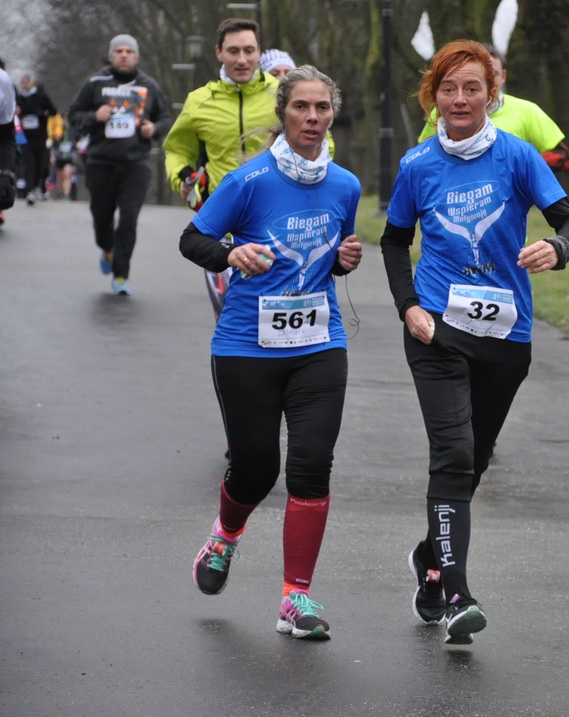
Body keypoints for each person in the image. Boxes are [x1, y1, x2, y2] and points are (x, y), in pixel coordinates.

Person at [381, 39, 569, 645]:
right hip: (437, 330)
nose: (461, 99)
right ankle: (457, 597)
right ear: (433, 98)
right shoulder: (417, 165)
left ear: (491, 94)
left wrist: (558, 248)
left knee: (474, 459)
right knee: (452, 456)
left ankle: (430, 559)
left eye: (472, 88)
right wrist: (409, 306)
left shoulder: (518, 156)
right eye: (448, 89)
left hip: (505, 335)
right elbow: (394, 242)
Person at [179, 65, 362, 641]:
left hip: (319, 343)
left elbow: (330, 255)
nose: (312, 117)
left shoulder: (346, 185)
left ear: (332, 115)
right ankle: (224, 536)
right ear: (282, 112)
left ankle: (294, 599)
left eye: (322, 108)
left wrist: (343, 261)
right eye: (301, 107)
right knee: (257, 469)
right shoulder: (249, 180)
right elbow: (193, 238)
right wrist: (230, 255)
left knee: (311, 464)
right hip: (246, 347)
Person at [164, 20, 333, 317]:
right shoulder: (199, 101)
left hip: (278, 217)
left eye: (249, 50)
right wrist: (183, 178)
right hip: (222, 223)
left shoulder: (283, 94)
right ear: (219, 53)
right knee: (230, 310)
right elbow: (177, 149)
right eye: (233, 51)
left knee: (280, 304)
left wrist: (312, 175)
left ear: (259, 52)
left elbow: (323, 140)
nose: (241, 59)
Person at [67, 34, 171, 295]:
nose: (124, 55)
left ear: (137, 57)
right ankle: (106, 247)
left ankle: (121, 275)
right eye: (119, 51)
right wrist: (94, 116)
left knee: (128, 219)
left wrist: (154, 128)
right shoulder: (95, 83)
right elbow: (73, 116)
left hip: (136, 164)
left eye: (129, 51)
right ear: (111, 56)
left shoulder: (149, 85)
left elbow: (166, 117)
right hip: (100, 161)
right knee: (101, 217)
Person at [417, 44, 569, 173]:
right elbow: (422, 158)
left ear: (503, 76)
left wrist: (517, 164)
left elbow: (565, 157)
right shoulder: (445, 112)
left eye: (493, 75)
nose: (490, 81)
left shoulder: (527, 111)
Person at [15, 72, 57, 204]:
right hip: (24, 136)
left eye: (27, 82)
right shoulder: (20, 98)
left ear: (32, 82)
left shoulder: (41, 97)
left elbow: (53, 111)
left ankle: (38, 185)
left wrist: (42, 113)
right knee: (28, 164)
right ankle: (29, 191)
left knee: (40, 164)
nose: (25, 84)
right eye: (23, 82)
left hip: (40, 136)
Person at [0, 59, 18, 226]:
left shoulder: (4, 84)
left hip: (3, 132)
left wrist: (6, 172)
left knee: (4, 186)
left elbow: (7, 138)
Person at [48, 114, 76, 199]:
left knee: (67, 173)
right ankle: (61, 192)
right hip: (59, 157)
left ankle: (66, 194)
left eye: (66, 119)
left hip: (68, 157)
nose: (65, 122)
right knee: (59, 176)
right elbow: (52, 143)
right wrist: (52, 154)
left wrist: (74, 154)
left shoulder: (72, 130)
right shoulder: (56, 130)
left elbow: (75, 144)